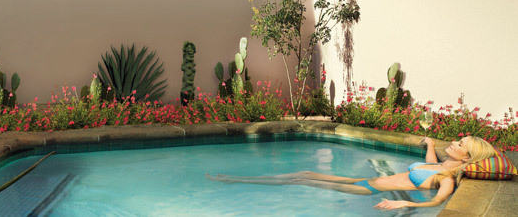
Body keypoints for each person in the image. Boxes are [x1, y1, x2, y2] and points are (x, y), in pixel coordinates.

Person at [206, 136, 498, 210]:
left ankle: (234, 180)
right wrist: (430, 145)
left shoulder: (447, 178)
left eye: (460, 144)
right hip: (364, 181)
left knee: (303, 179)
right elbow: (429, 162)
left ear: (467, 157)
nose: (455, 142)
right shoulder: (441, 167)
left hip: (367, 188)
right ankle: (236, 178)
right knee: (307, 171)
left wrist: (404, 202)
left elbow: (437, 202)